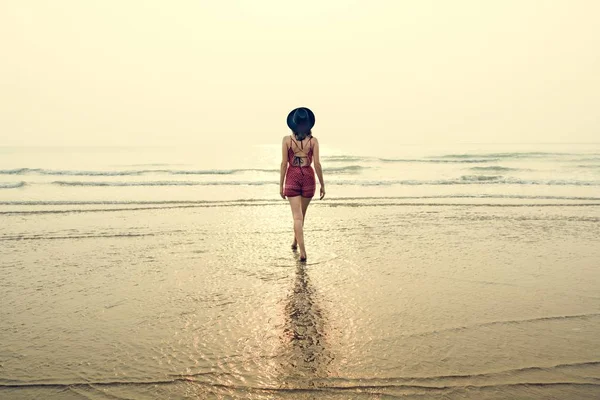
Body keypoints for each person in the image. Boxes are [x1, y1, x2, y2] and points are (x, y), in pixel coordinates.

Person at [280, 107, 325, 262]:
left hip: (292, 176)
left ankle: (303, 252)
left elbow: (284, 164)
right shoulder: (313, 141)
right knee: (301, 216)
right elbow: (317, 164)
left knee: (297, 217)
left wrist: (281, 186)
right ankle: (295, 242)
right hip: (308, 177)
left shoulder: (287, 140)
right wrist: (322, 185)